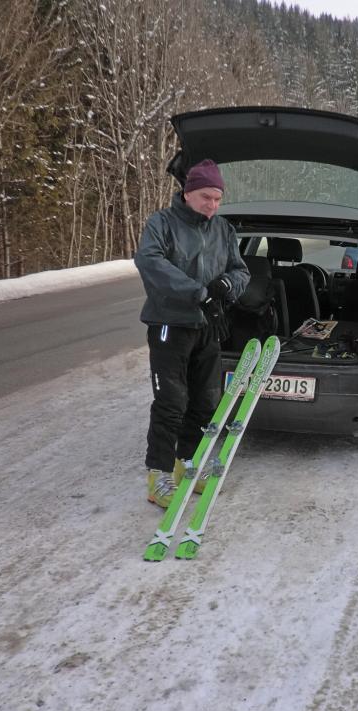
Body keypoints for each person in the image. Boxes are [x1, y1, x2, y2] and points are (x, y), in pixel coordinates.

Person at [134, 158, 250, 508]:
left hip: (206, 327)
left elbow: (240, 270)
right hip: (170, 325)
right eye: (205, 197)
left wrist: (227, 285)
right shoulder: (162, 223)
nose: (212, 205)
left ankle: (186, 462)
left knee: (205, 401)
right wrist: (199, 292)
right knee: (171, 402)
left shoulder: (223, 230)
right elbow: (149, 262)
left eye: (217, 198)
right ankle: (158, 476)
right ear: (187, 193)